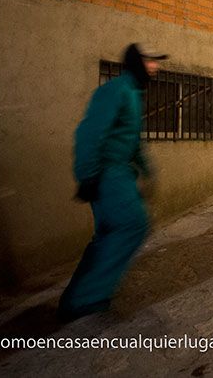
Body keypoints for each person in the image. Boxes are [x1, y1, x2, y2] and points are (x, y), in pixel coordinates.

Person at [58, 43, 167, 320]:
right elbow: (89, 133)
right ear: (136, 62)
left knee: (108, 234)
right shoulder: (115, 91)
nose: (156, 67)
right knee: (133, 225)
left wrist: (147, 170)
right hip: (107, 173)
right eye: (150, 61)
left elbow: (133, 140)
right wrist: (87, 175)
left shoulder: (132, 93)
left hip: (119, 173)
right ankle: (87, 297)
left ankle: (76, 297)